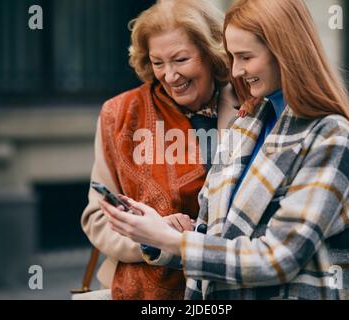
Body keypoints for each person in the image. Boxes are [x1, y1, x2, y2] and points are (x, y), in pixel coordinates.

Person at [105, 0, 349, 300]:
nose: (235, 70)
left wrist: (172, 241)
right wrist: (159, 231)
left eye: (246, 57)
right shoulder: (245, 126)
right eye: (233, 57)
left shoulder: (330, 136)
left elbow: (278, 259)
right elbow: (220, 235)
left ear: (284, 51)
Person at [81, 0, 238, 300]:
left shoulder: (248, 105)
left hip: (228, 286)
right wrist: (149, 239)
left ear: (211, 53)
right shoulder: (120, 114)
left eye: (180, 59)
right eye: (158, 62)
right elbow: (97, 217)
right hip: (145, 292)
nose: (170, 75)